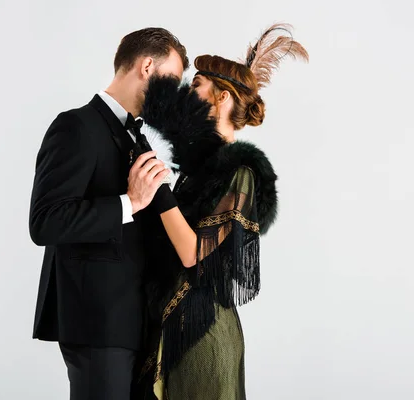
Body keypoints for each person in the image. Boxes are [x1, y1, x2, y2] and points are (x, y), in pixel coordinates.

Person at [132, 23, 309, 399]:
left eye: (195, 85)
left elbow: (193, 253)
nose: (185, 92)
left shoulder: (240, 173)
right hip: (168, 327)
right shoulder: (195, 171)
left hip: (202, 340)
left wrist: (159, 191)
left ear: (222, 98)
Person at [28, 27, 188, 400]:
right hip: (97, 325)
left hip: (136, 325)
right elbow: (45, 222)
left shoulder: (138, 137)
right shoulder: (76, 125)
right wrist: (128, 202)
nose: (175, 94)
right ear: (147, 66)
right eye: (173, 80)